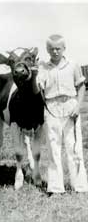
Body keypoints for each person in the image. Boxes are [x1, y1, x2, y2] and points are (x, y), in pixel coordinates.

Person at [38, 34, 88, 194]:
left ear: (64, 48)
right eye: (51, 49)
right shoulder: (43, 67)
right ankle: (56, 188)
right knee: (53, 148)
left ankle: (80, 187)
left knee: (74, 147)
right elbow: (38, 88)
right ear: (47, 49)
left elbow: (81, 87)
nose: (55, 52)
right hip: (51, 107)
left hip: (70, 106)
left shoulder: (73, 65)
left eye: (58, 48)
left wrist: (77, 106)